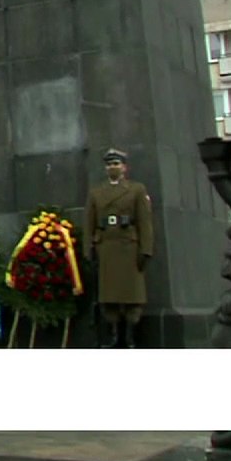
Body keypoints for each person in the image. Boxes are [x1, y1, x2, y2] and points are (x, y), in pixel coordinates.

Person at [84, 149, 154, 348]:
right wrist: (88, 249)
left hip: (129, 248)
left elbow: (144, 222)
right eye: (109, 164)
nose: (112, 167)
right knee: (109, 297)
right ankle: (114, 337)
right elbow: (89, 223)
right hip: (106, 248)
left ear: (124, 167)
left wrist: (146, 250)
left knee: (131, 297)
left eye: (116, 164)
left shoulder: (136, 190)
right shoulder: (96, 193)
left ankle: (130, 337)